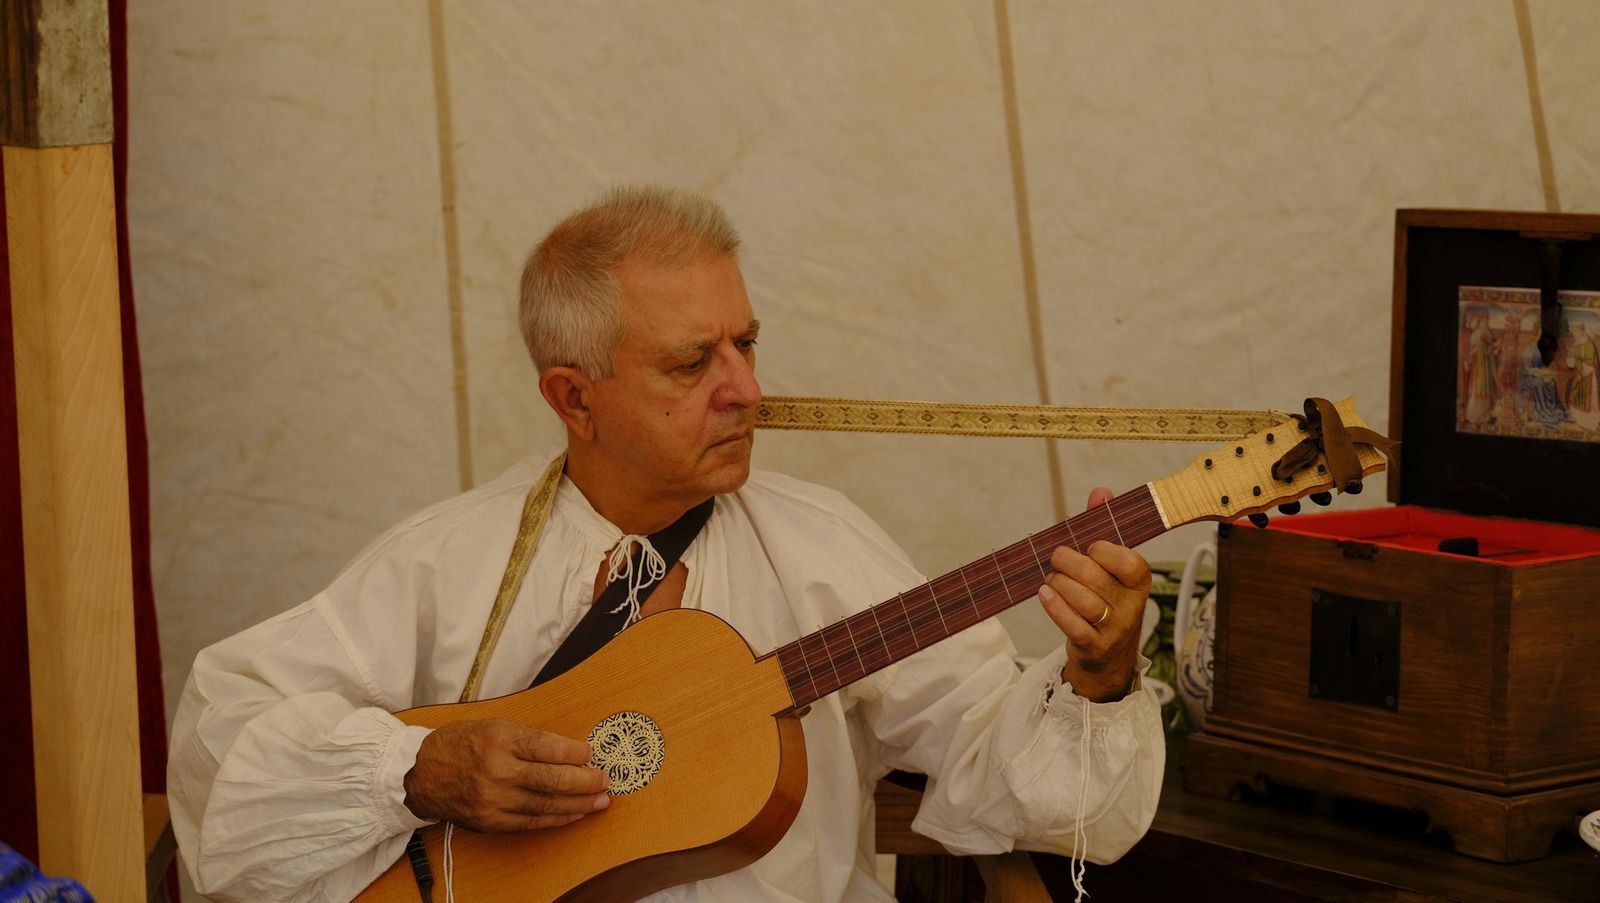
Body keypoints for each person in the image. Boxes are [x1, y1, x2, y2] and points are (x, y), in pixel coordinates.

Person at [168, 186, 1164, 902]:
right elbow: (224, 744)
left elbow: (1009, 764)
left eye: (746, 343)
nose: (746, 390)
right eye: (693, 363)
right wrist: (416, 768)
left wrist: (1098, 678)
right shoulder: (447, 562)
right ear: (574, 398)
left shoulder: (822, 550)